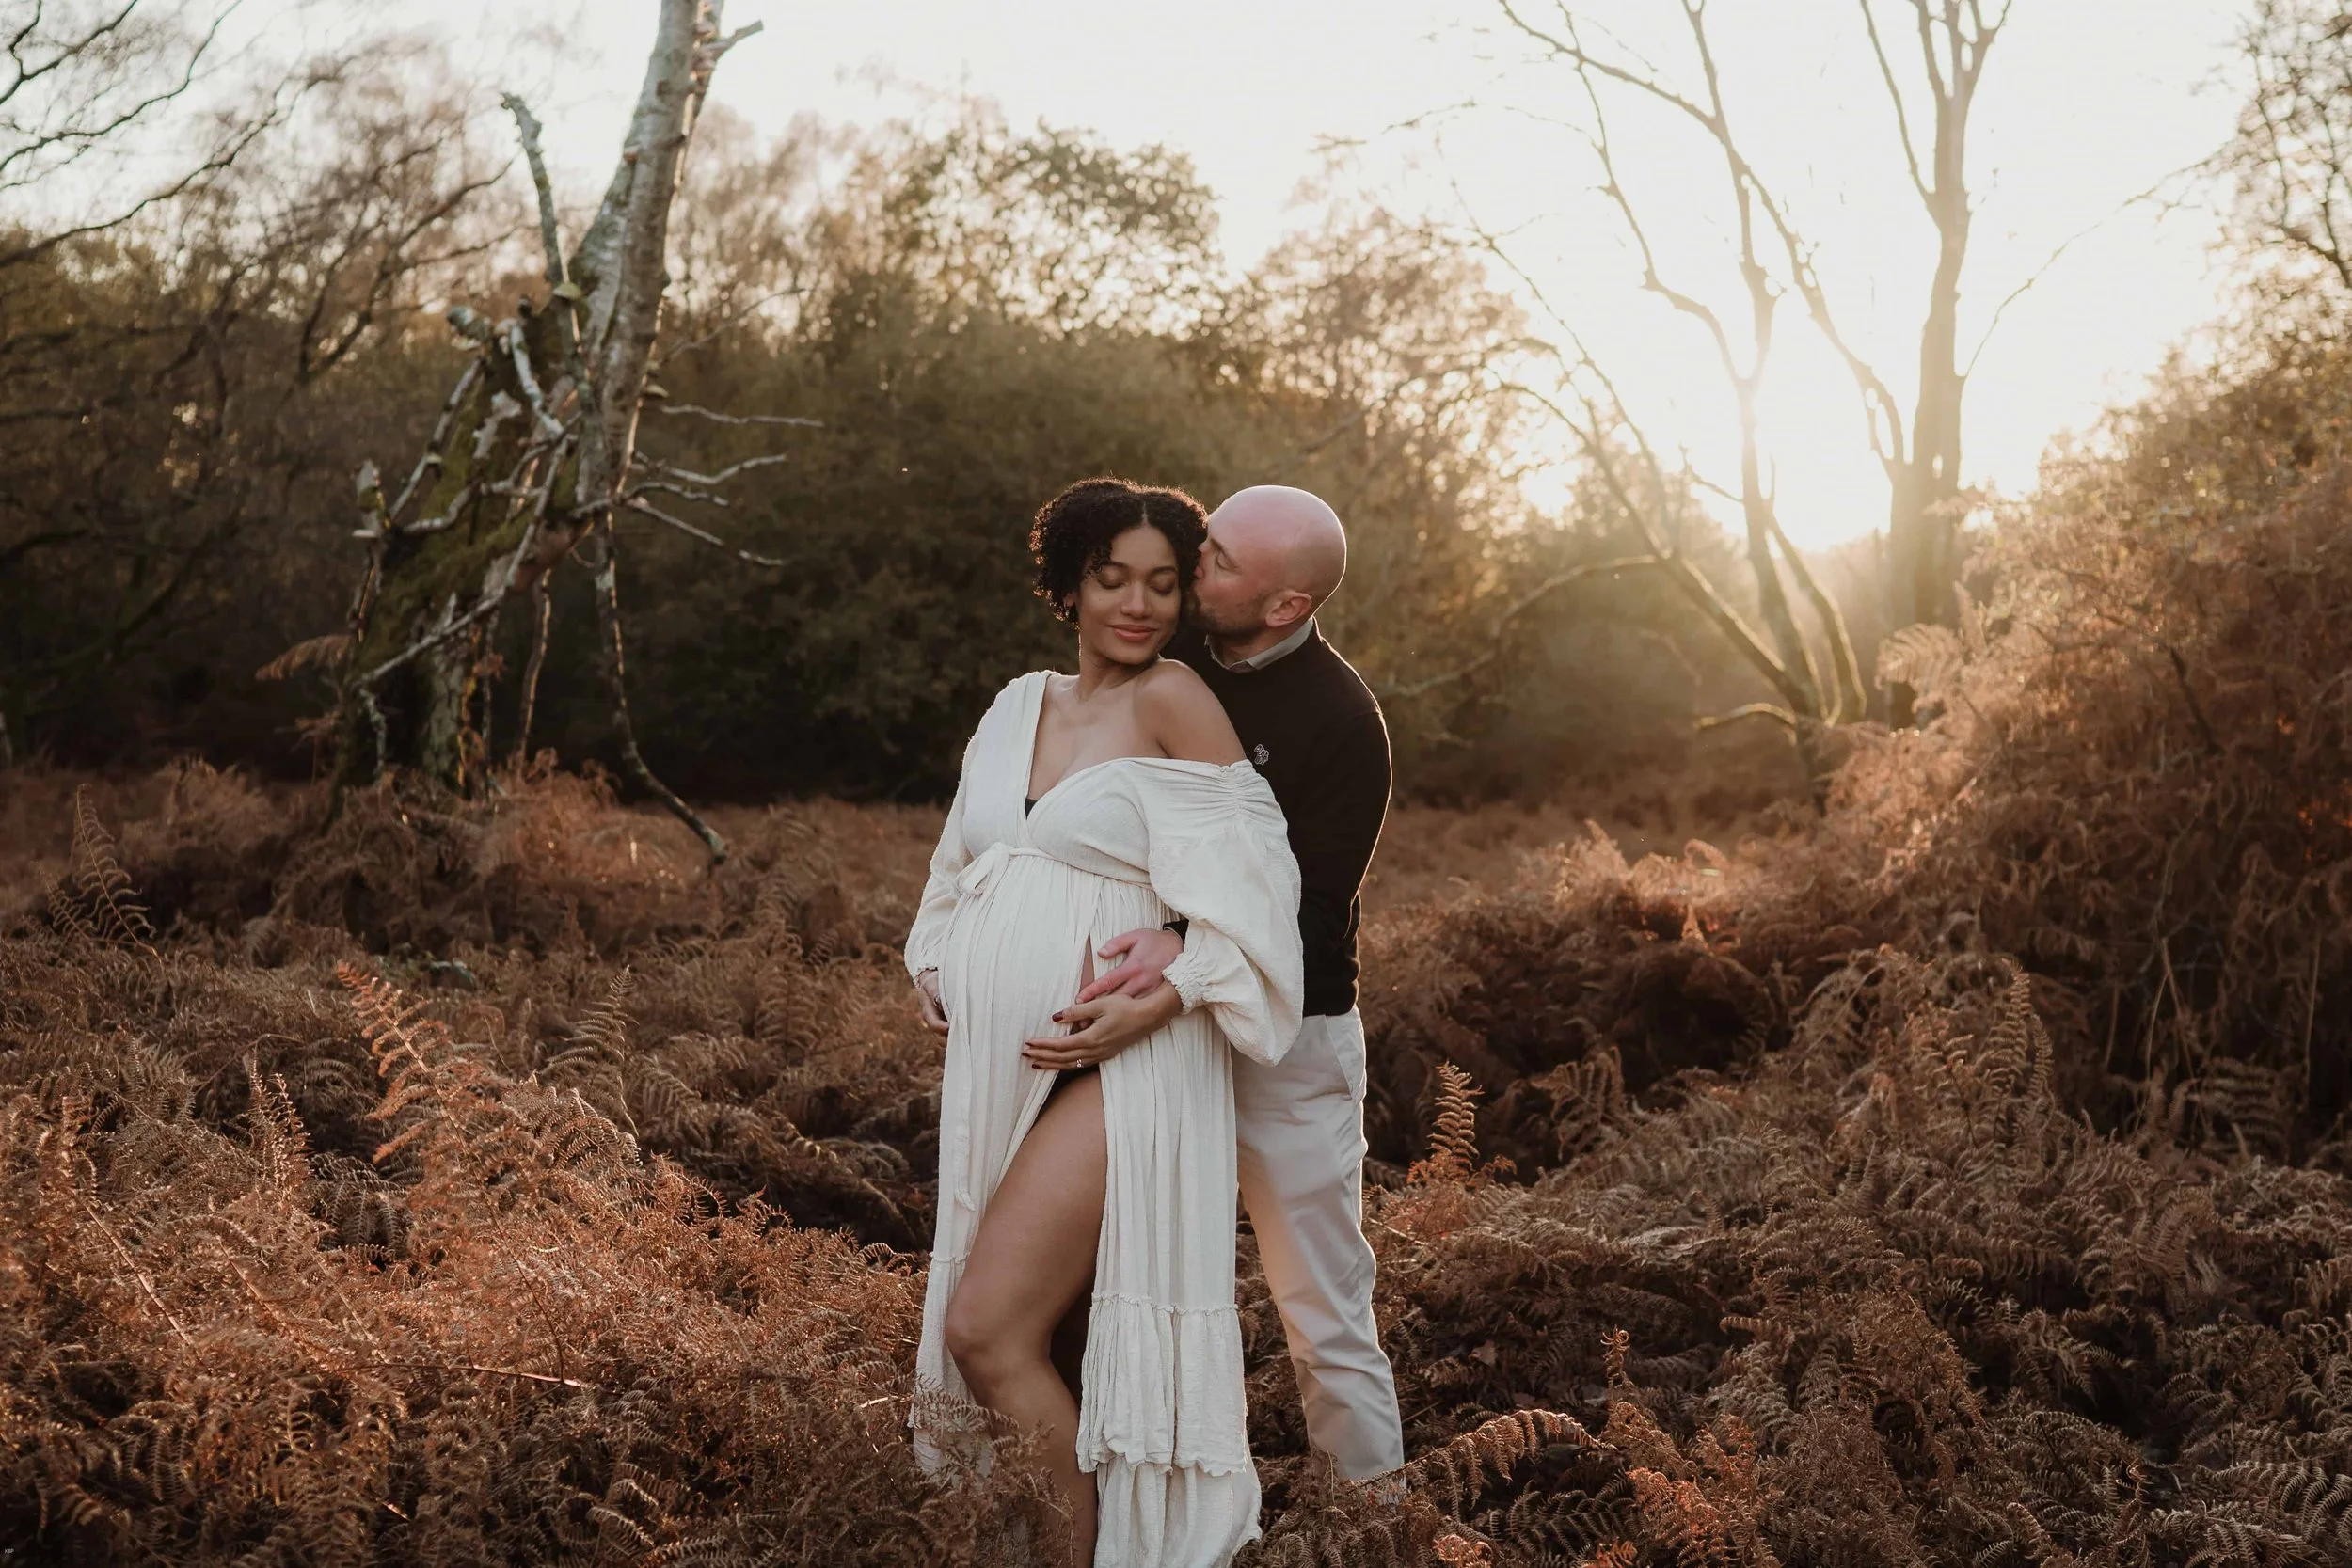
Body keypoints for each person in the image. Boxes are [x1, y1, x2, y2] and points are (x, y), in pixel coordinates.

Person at [904, 477, 1306, 1568]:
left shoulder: (1175, 699)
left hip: (1126, 1062)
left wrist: (1173, 984)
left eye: (1163, 584)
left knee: (987, 1327)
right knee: (1047, 1334)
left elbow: (1262, 891)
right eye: (1112, 578)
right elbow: (958, 863)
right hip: (1004, 1066)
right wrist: (936, 959)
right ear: (1069, 585)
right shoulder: (1015, 705)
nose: (1138, 604)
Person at [1057, 484, 1406, 1485]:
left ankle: (1371, 1524)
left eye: (1216, 562)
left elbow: (1311, 908)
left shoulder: (1342, 720)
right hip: (1149, 1026)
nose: (1190, 566)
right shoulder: (1163, 659)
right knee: (1107, 1278)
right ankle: (1102, 1503)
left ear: (1285, 604)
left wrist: (1180, 945)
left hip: (1285, 1044)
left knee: (1322, 1308)